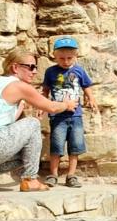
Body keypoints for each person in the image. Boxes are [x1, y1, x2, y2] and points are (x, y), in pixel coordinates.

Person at [0, 47, 80, 192]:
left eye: (35, 67)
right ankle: (31, 179)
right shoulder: (19, 86)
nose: (35, 71)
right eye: (30, 67)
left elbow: (2, 120)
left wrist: (20, 106)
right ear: (15, 67)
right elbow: (52, 108)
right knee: (33, 123)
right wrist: (67, 104)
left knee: (27, 152)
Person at [40, 37, 93, 188]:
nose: (66, 61)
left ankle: (71, 175)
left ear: (75, 56)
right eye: (61, 58)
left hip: (75, 116)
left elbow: (86, 86)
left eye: (70, 58)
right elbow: (45, 90)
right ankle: (53, 174)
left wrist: (91, 98)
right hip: (57, 116)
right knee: (56, 146)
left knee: (75, 147)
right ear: (54, 56)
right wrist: (41, 106)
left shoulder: (79, 70)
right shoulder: (50, 72)